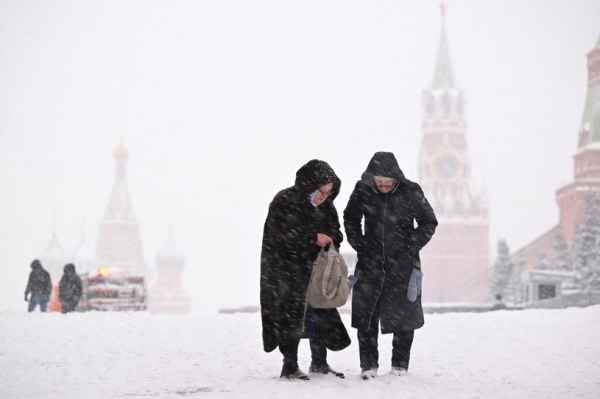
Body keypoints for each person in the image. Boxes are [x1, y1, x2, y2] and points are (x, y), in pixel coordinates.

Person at [343, 152, 438, 379]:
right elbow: (350, 217)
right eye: (379, 180)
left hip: (403, 265)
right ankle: (368, 367)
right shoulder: (362, 189)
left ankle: (399, 367)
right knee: (366, 317)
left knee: (404, 317)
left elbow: (429, 221)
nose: (383, 184)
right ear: (371, 178)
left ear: (396, 177)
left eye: (387, 180)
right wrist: (361, 245)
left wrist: (409, 246)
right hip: (370, 263)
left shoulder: (411, 191)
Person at [260, 159, 351, 380]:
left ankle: (319, 362)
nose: (325, 196)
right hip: (286, 271)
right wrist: (312, 238)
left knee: (320, 312)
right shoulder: (284, 200)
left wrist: (331, 240)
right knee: (290, 317)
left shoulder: (327, 206)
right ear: (309, 185)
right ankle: (289, 365)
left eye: (329, 192)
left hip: (317, 271)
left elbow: (336, 232)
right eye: (322, 191)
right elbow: (279, 235)